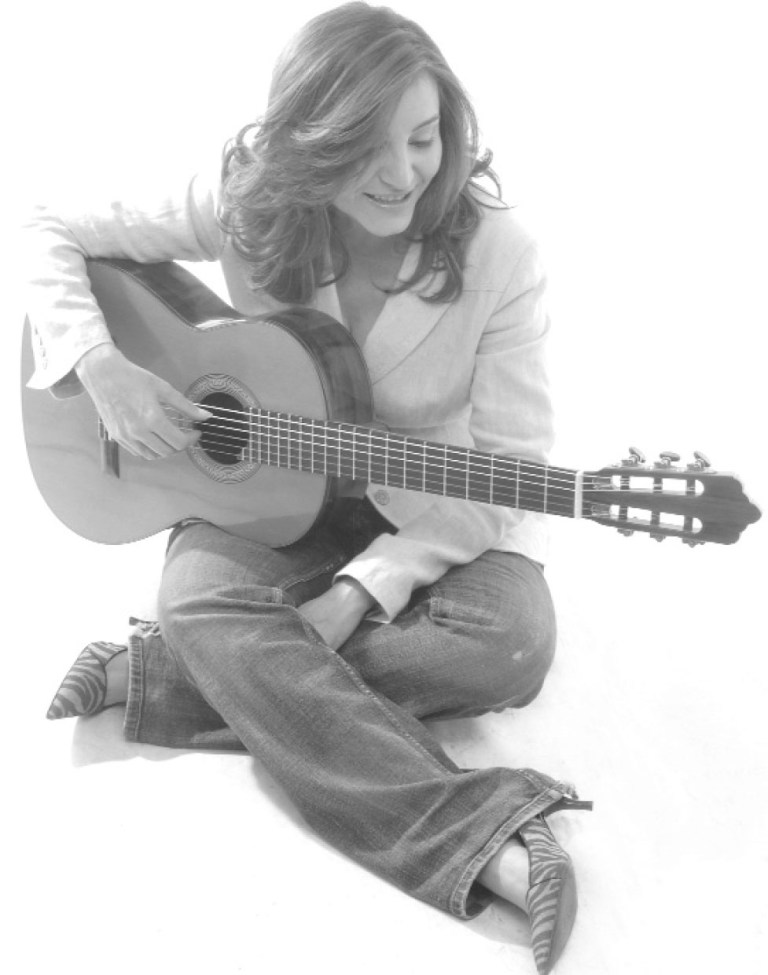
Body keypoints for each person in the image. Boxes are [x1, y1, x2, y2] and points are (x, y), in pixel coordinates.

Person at [25, 4, 592, 972]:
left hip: (430, 512)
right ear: (310, 143)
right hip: (272, 502)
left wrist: (360, 590)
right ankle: (483, 841)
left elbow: (512, 469)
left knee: (512, 640)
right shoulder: (250, 200)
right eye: (366, 148)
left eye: (423, 138)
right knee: (193, 594)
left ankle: (175, 675)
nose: (404, 173)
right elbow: (45, 222)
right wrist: (99, 366)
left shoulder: (503, 255)